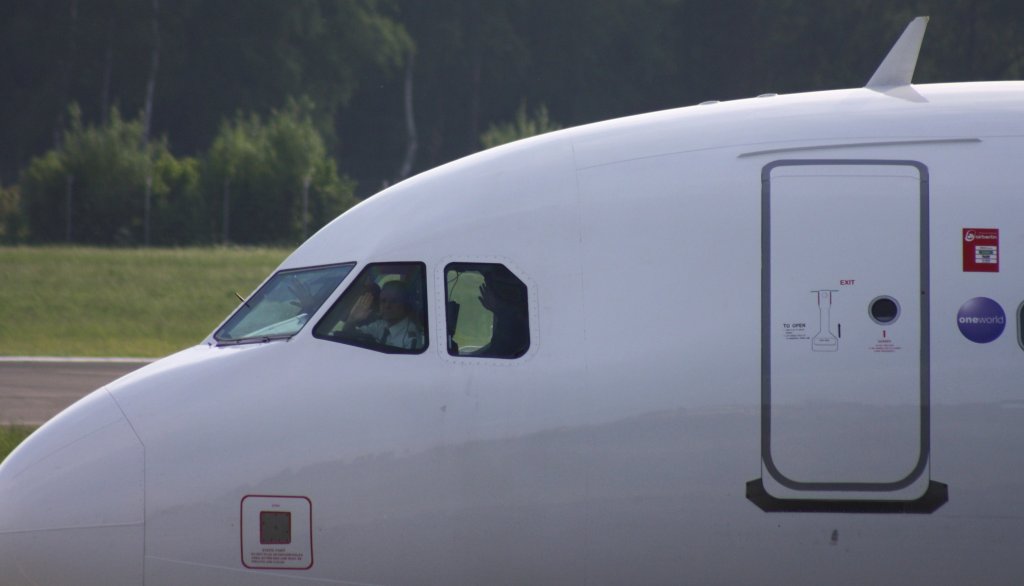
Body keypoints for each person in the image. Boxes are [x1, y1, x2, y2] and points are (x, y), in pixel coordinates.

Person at [344, 280, 424, 350]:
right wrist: (351, 320)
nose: (387, 306)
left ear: (405, 304)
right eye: (383, 301)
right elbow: (348, 337)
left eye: (394, 301)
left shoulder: (411, 339)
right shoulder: (380, 325)